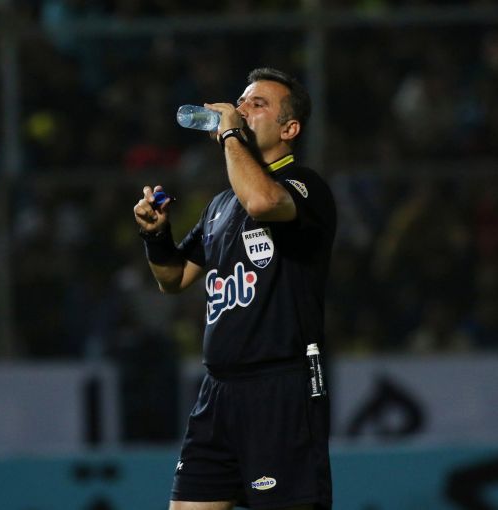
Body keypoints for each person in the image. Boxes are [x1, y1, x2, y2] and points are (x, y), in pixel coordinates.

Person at [133, 68, 336, 510]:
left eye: (257, 104)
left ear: (289, 129)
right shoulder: (221, 205)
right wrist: (156, 235)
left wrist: (229, 136)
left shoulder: (304, 186)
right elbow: (174, 279)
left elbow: (263, 202)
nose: (242, 109)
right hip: (218, 391)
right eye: (241, 101)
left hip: (280, 386)